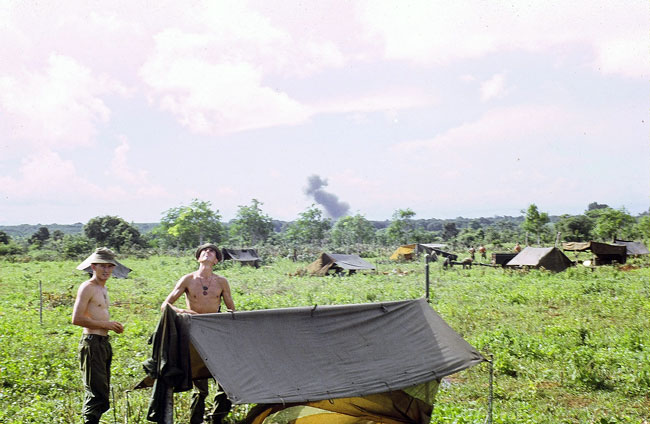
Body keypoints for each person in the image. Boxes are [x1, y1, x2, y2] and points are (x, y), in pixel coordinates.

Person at [161, 243, 235, 424]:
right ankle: (195, 420)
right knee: (200, 385)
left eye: (212, 252)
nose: (208, 253)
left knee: (225, 382)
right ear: (198, 257)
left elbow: (232, 309)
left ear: (216, 260)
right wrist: (184, 311)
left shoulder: (221, 281)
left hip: (215, 332)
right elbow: (165, 305)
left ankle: (217, 419)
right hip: (193, 333)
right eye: (204, 251)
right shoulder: (188, 279)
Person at [72, 247, 124, 424]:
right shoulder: (88, 287)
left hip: (103, 343)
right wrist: (106, 325)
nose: (106, 270)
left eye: (110, 266)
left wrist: (111, 327)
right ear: (93, 266)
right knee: (96, 393)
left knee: (102, 391)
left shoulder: (103, 289)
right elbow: (77, 319)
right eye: (102, 266)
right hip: (92, 343)